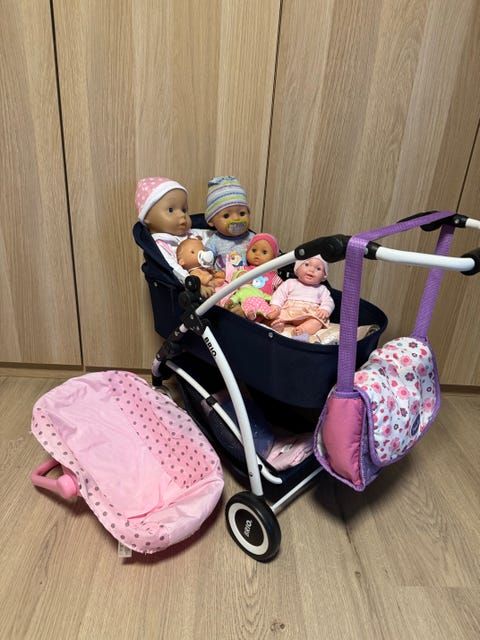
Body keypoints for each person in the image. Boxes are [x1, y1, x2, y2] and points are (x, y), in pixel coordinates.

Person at [135, 177, 212, 296]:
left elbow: (211, 236)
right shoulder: (160, 244)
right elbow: (173, 268)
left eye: (184, 210)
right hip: (193, 288)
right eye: (171, 210)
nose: (182, 215)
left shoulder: (191, 233)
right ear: (147, 217)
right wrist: (193, 285)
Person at [219, 233, 282, 320]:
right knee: (233, 306)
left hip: (264, 305)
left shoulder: (273, 276)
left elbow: (283, 290)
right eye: (254, 250)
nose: (257, 254)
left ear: (273, 258)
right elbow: (231, 277)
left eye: (264, 252)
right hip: (242, 301)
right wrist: (239, 274)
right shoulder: (243, 268)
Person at [267, 255, 334, 335]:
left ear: (323, 276)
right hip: (288, 311)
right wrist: (275, 305)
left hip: (308, 315)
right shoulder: (290, 282)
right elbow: (279, 294)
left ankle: (302, 330)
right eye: (307, 264)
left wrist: (325, 309)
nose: (312, 270)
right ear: (297, 269)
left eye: (318, 269)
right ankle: (278, 325)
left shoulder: (322, 289)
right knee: (274, 315)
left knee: (318, 321)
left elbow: (328, 301)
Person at [204, 176, 255, 270]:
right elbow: (205, 262)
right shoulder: (215, 241)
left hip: (251, 277)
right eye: (226, 216)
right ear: (211, 221)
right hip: (225, 278)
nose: (236, 218)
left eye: (242, 213)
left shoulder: (253, 239)